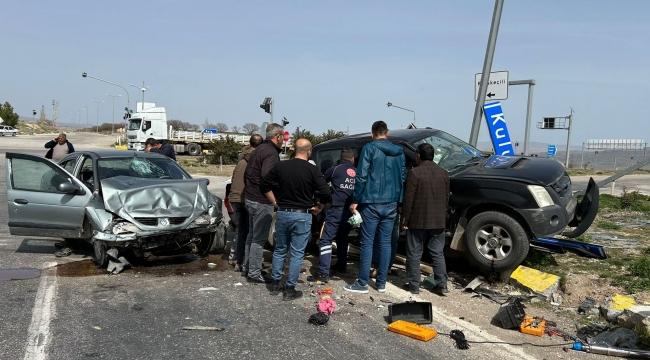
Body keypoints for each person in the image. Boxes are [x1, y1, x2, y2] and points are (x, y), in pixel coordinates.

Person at [261, 138, 330, 300]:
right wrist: (319, 207)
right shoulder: (312, 169)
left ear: (294, 149)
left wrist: (275, 202)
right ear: (309, 151)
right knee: (297, 253)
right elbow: (326, 192)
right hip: (302, 215)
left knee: (279, 250)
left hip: (283, 212)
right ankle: (289, 289)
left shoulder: (281, 166)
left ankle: (275, 284)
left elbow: (264, 185)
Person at [344, 121, 405, 294]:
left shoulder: (369, 148)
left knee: (367, 242)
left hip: (371, 202)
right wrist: (399, 200)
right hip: (391, 202)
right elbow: (402, 177)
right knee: (386, 243)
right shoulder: (399, 152)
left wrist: (356, 199)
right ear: (387, 133)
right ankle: (381, 283)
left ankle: (363, 282)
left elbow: (361, 175)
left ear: (372, 133)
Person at [401, 143, 450, 295]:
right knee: (437, 253)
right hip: (438, 221)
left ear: (419, 155)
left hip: (418, 221)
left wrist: (405, 220)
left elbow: (408, 200)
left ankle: (414, 285)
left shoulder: (415, 173)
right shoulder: (444, 173)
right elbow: (446, 199)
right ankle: (442, 285)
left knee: (414, 253)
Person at [243, 123, 284, 283]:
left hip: (250, 198)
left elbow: (249, 173)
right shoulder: (271, 153)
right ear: (278, 136)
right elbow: (268, 178)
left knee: (252, 236)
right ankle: (253, 273)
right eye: (283, 137)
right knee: (259, 240)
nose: (283, 141)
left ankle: (248, 268)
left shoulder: (258, 149)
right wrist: (275, 198)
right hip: (261, 200)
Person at [309, 149, 356, 282]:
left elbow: (322, 185)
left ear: (341, 158)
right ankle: (342, 265)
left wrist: (320, 202)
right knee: (343, 238)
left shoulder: (335, 169)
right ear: (352, 159)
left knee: (325, 239)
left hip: (335, 209)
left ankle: (323, 272)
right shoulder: (358, 171)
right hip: (351, 210)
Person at [228, 134, 263, 271]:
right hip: (245, 198)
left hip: (235, 197)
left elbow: (233, 177)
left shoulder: (242, 156)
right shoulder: (255, 158)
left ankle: (235, 257)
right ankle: (243, 262)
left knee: (240, 230)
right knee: (248, 232)